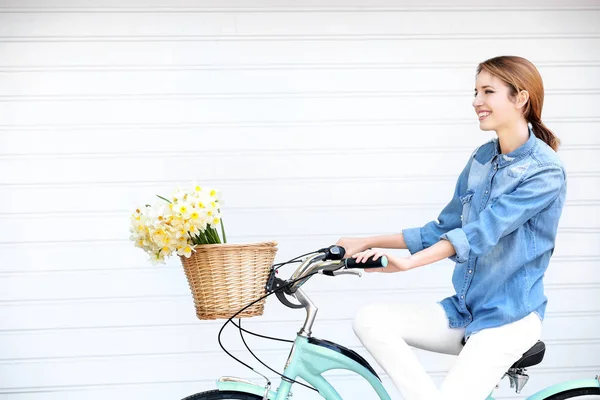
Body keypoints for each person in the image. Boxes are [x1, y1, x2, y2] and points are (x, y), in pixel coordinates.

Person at [336, 55, 567, 400]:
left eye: (488, 92)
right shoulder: (480, 159)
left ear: (521, 98)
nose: (476, 102)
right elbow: (442, 228)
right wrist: (364, 241)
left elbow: (481, 232)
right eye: (475, 92)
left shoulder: (544, 170)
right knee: (370, 319)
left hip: (508, 319)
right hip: (463, 310)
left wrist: (409, 264)